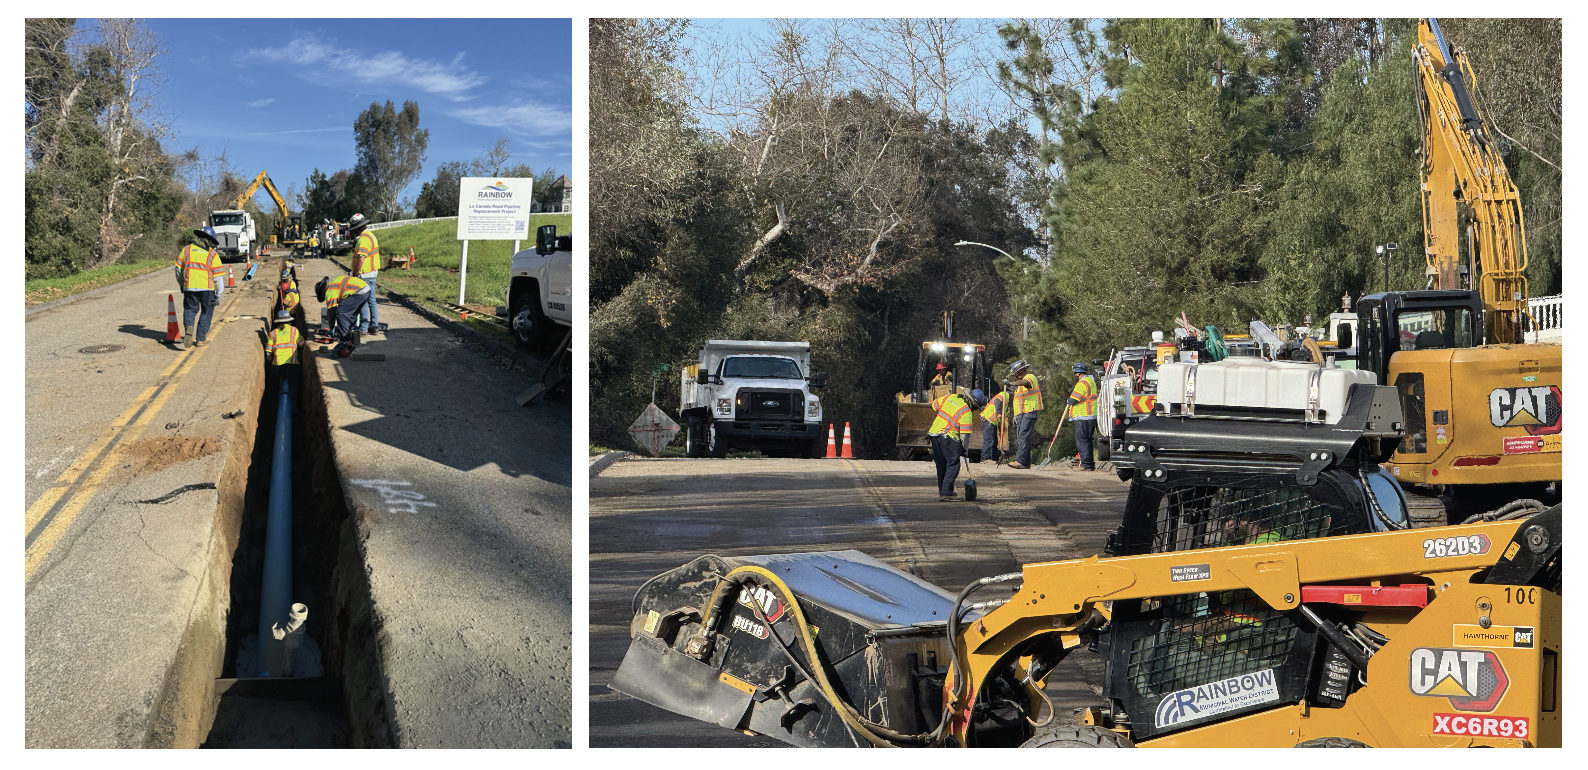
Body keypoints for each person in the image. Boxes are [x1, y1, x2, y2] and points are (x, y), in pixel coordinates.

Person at [174, 227, 226, 350]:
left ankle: (189, 326)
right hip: (207, 289)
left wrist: (182, 283)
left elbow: (178, 269)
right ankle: (201, 339)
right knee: (207, 312)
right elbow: (218, 278)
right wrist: (218, 294)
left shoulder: (187, 250)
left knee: (190, 309)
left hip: (189, 287)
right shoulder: (212, 254)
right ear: (211, 241)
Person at [928, 387, 976, 501]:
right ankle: (946, 492)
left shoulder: (950, 397)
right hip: (948, 435)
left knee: (941, 465)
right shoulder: (966, 411)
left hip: (934, 434)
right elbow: (964, 435)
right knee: (953, 464)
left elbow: (934, 405)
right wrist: (964, 450)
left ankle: (943, 491)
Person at [315, 274, 371, 350]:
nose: (325, 299)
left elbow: (331, 311)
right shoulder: (334, 284)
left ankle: (345, 341)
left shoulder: (329, 290)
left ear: (322, 292)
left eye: (323, 297)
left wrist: (331, 328)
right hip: (366, 290)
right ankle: (354, 340)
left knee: (341, 313)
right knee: (351, 315)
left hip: (359, 291)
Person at [348, 213, 382, 335]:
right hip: (372, 273)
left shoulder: (363, 239)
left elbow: (361, 259)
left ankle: (363, 328)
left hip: (364, 274)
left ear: (357, 228)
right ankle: (374, 326)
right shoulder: (371, 236)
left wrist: (355, 273)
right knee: (372, 300)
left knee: (362, 301)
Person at [1006, 360, 1043, 468]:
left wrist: (1011, 383)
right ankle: (1025, 462)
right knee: (1023, 437)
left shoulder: (1030, 377)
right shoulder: (1020, 385)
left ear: (1021, 371)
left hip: (1028, 412)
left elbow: (1026, 383)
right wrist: (1015, 416)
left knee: (1023, 437)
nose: (1015, 376)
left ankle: (1020, 461)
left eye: (1016, 374)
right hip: (1022, 414)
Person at [266, 310, 304, 408]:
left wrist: (270, 362)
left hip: (277, 365)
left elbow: (268, 353)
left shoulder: (273, 333)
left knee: (272, 384)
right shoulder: (294, 330)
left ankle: (272, 403)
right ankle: (295, 407)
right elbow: (302, 344)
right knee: (294, 386)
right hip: (293, 364)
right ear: (289, 321)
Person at [1065, 362, 1099, 471]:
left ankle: (1086, 465)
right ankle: (1089, 464)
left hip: (1083, 416)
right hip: (1091, 416)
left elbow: (1074, 399)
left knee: (1082, 440)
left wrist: (1069, 399)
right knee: (1088, 440)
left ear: (1077, 373)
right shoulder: (1091, 382)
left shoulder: (1082, 383)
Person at [979, 388, 1007, 464]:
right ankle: (985, 458)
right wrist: (998, 413)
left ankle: (994, 458)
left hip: (993, 421)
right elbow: (997, 401)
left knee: (994, 440)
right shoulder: (1005, 394)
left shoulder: (1007, 400)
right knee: (989, 439)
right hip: (989, 419)